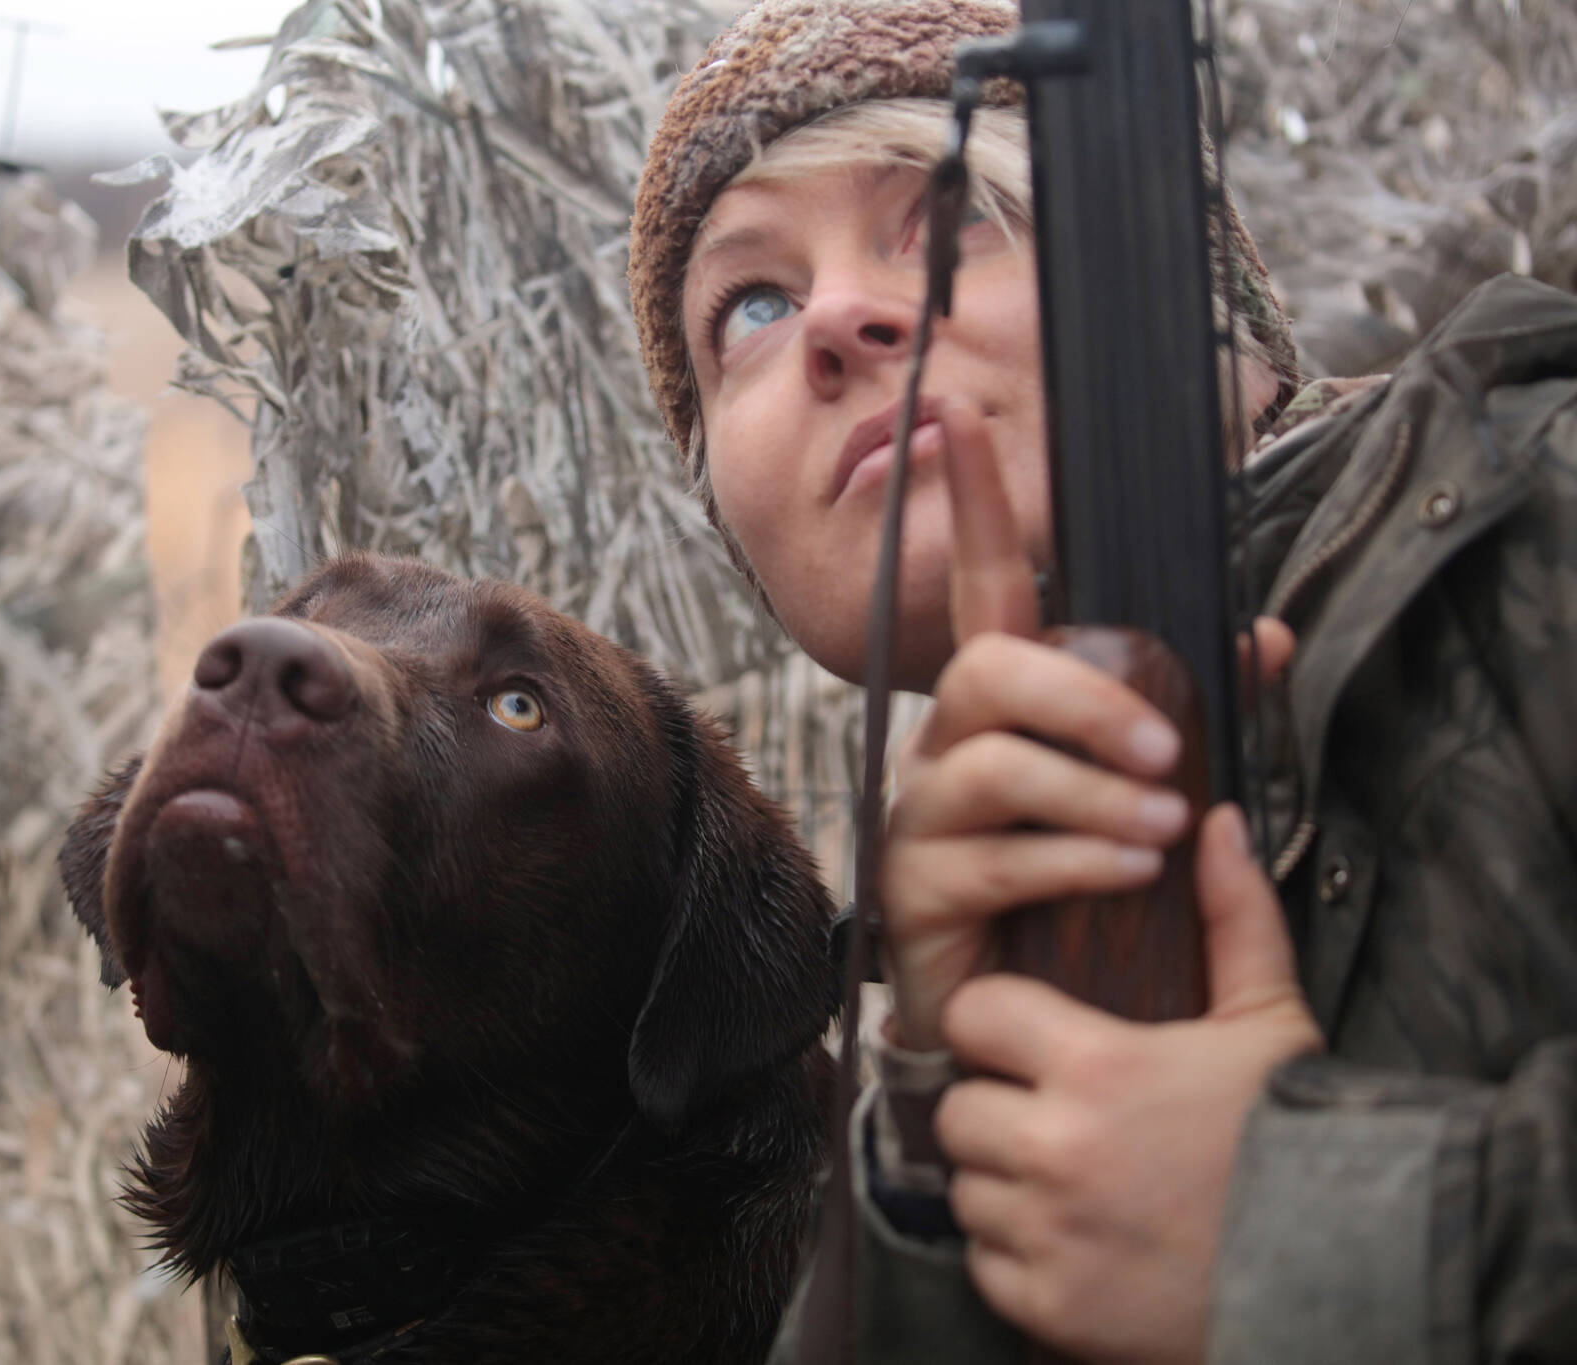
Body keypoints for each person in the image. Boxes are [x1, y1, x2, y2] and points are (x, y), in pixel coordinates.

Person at [626, 1, 1577, 1361]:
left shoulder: (1541, 494)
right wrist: (936, 1138)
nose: (832, 317)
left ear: (1194, 301)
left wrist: (1309, 1231)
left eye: (953, 207)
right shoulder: (923, 963)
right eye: (753, 306)